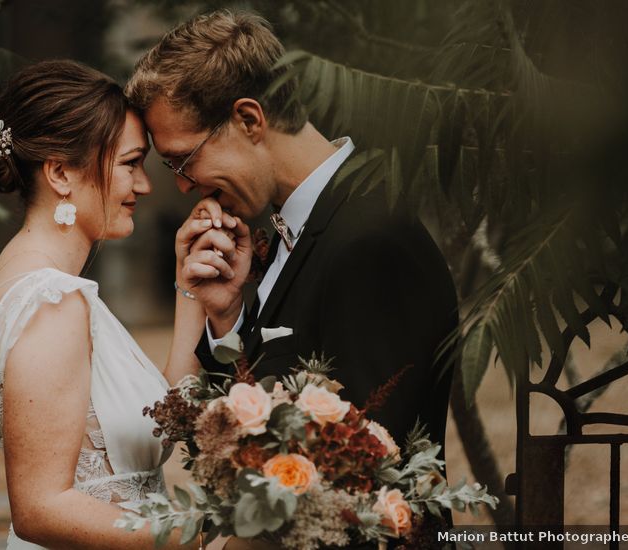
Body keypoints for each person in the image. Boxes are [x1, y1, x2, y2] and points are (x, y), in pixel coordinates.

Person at [127, 11, 458, 546]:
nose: (184, 187)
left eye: (181, 160)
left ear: (250, 120)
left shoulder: (372, 241)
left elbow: (362, 474)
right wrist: (226, 315)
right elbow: (253, 437)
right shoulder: (297, 231)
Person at [0, 60, 231, 550]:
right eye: (131, 164)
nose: (145, 185)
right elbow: (40, 508)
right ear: (61, 173)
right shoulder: (52, 302)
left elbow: (162, 419)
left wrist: (190, 287)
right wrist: (200, 535)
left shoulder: (42, 283)